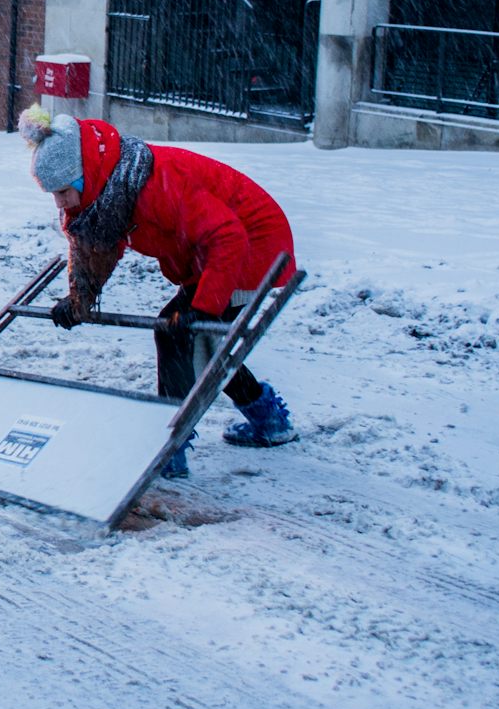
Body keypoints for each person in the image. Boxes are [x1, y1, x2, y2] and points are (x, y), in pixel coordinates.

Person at [20, 105, 299, 479]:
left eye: (63, 191)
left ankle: (170, 446)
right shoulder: (111, 190)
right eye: (52, 194)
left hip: (254, 248)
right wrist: (79, 301)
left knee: (176, 334)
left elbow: (229, 236)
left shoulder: (152, 184)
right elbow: (98, 245)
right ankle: (269, 419)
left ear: (84, 177)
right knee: (203, 342)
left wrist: (205, 306)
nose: (59, 202)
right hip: (214, 252)